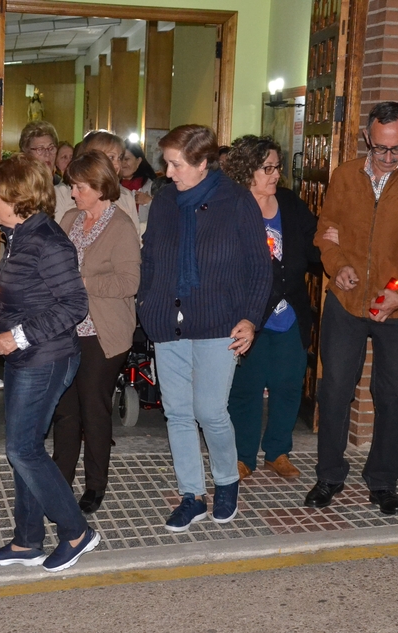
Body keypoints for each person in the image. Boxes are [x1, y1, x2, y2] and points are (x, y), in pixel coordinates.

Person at [306, 102, 398, 516]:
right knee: (333, 391)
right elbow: (325, 232)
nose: (389, 158)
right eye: (382, 148)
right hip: (346, 302)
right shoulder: (344, 176)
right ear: (368, 138)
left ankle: (384, 482)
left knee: (390, 394)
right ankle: (329, 475)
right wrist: (338, 267)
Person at [138, 124, 273, 531]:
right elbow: (151, 261)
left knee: (210, 410)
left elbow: (260, 268)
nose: (168, 171)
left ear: (200, 162)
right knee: (177, 413)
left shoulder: (236, 202)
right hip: (167, 322)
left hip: (220, 323)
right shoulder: (164, 204)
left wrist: (250, 318)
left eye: (176, 163)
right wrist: (147, 304)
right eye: (167, 162)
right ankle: (191, 495)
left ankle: (227, 482)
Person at [0, 154, 99, 572]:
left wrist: (18, 335)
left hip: (45, 358)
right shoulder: (20, 235)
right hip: (27, 355)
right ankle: (27, 540)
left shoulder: (46, 240)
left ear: (17, 196)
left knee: (22, 449)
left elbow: (74, 305)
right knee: (24, 448)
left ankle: (76, 531)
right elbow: (29, 294)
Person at [223, 135, 320, 481]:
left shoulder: (290, 205)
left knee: (288, 384)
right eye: (268, 168)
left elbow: (314, 245)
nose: (276, 174)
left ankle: (277, 451)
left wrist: (331, 243)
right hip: (248, 314)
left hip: (290, 313)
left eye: (278, 167)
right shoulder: (232, 207)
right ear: (247, 170)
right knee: (246, 388)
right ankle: (243, 455)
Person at [51, 151, 141, 513]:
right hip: (68, 329)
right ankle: (59, 478)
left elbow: (129, 282)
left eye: (79, 186)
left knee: (93, 407)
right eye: (72, 185)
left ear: (101, 186)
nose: (73, 193)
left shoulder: (121, 226)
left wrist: (82, 282)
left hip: (104, 333)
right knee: (64, 408)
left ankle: (95, 484)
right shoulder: (70, 218)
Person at [54, 131, 140, 232]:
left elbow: (135, 239)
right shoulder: (63, 194)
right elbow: (56, 239)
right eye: (111, 157)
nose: (117, 165)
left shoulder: (126, 196)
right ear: (90, 158)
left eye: (120, 158)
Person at [120, 140, 158, 229]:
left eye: (126, 159)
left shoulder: (153, 186)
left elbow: (165, 215)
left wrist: (149, 202)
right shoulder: (110, 186)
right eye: (120, 159)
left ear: (138, 161)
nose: (123, 163)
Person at [19, 120, 62, 185]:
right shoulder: (17, 186)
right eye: (40, 149)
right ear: (26, 154)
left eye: (51, 148)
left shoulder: (61, 186)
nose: (47, 154)